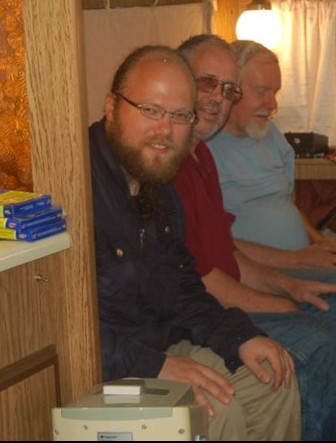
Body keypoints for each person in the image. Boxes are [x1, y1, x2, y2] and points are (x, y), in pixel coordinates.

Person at [90, 45, 301, 440]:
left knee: (273, 377)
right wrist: (157, 367)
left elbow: (185, 287)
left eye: (179, 116)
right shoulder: (77, 186)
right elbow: (64, 328)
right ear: (111, 106)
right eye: (150, 110)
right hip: (105, 367)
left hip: (160, 350)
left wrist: (240, 337)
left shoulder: (158, 185)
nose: (164, 130)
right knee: (216, 410)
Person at [175, 34, 336, 441]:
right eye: (206, 83)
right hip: (202, 316)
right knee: (329, 327)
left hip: (237, 290)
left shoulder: (201, 158)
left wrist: (294, 281)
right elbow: (205, 276)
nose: (217, 98)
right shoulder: (169, 164)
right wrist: (284, 296)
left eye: (227, 89)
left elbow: (224, 252)